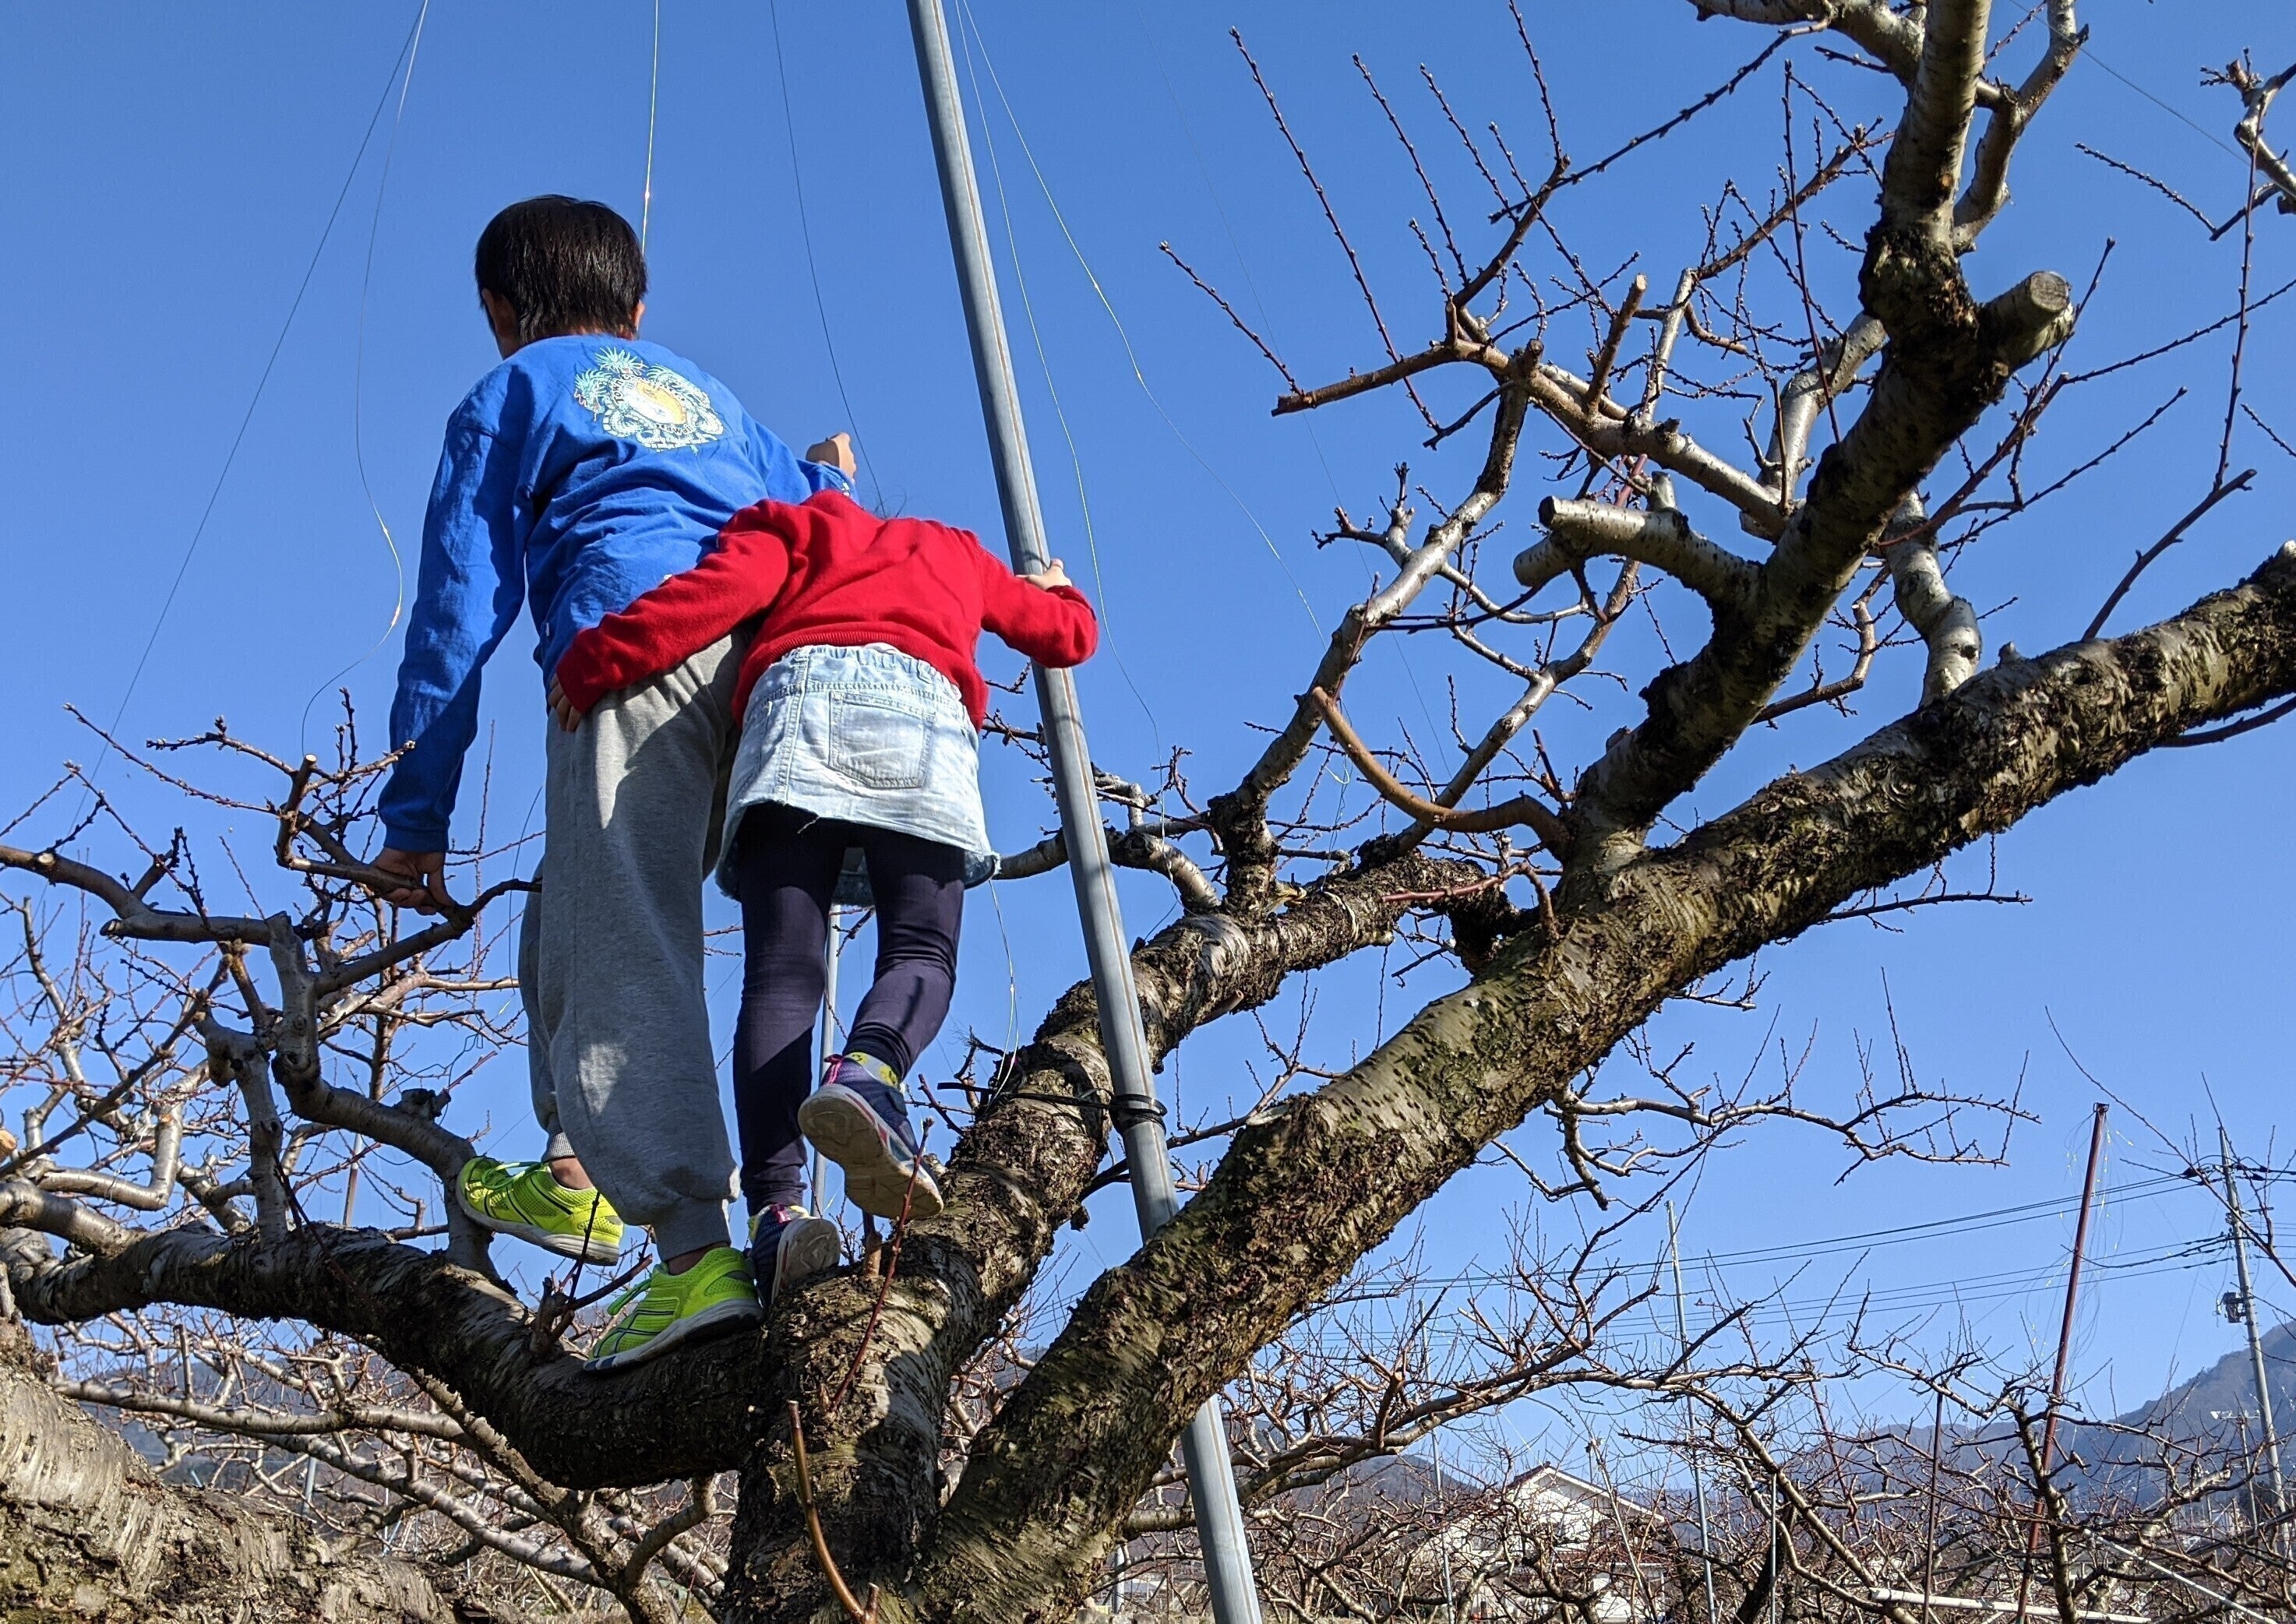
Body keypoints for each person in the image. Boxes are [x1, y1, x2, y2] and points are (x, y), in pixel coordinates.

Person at [371, 195, 854, 1372]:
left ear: (498, 311)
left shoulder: (512, 393)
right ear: (637, 313)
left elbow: (454, 607)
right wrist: (824, 475)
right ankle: (577, 1177)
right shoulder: (709, 399)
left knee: (625, 938)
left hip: (633, 654)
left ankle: (693, 1253)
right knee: (571, 926)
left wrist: (413, 812)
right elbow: (809, 502)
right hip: (772, 670)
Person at [548, 487, 1098, 1337]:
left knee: (781, 973)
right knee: (919, 948)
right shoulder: (955, 547)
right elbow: (1065, 637)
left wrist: (597, 663)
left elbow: (710, 599)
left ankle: (775, 1214)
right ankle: (869, 1074)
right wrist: (1061, 590)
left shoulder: (792, 526)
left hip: (795, 711)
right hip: (920, 717)